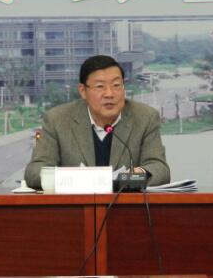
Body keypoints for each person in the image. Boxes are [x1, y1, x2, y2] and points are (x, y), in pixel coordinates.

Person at [24, 55, 170, 190]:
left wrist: (138, 174)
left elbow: (160, 169)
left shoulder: (145, 117)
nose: (109, 94)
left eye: (116, 85)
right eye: (100, 86)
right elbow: (34, 172)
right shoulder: (57, 120)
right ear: (83, 91)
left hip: (125, 206)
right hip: (76, 207)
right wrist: (74, 178)